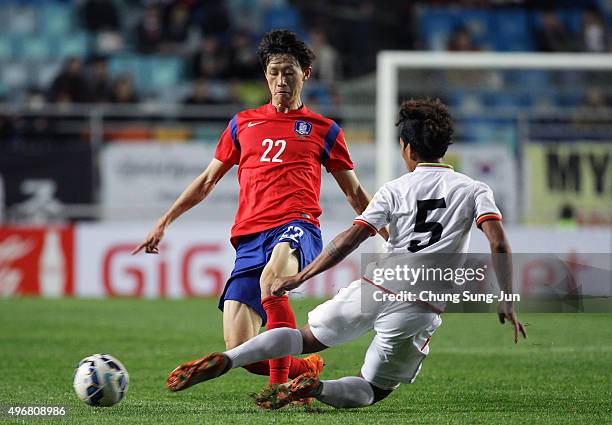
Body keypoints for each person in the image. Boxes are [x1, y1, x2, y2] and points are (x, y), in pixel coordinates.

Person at [165, 99, 527, 409]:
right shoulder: (474, 188)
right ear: (444, 147)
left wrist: (300, 277)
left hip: (378, 284)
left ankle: (229, 359)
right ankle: (317, 388)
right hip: (422, 302)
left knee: (303, 338)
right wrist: (507, 298)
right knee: (374, 389)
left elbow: (349, 239)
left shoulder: (394, 189)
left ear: (407, 148)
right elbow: (497, 241)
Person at [134, 29, 383, 387]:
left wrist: (396, 236)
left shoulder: (324, 130)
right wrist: (164, 221)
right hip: (250, 239)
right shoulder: (242, 124)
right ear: (265, 75)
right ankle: (303, 371)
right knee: (244, 351)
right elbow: (207, 181)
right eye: (274, 72)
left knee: (273, 282)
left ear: (305, 73)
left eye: (289, 72)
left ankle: (279, 389)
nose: (281, 80)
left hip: (297, 227)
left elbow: (356, 194)